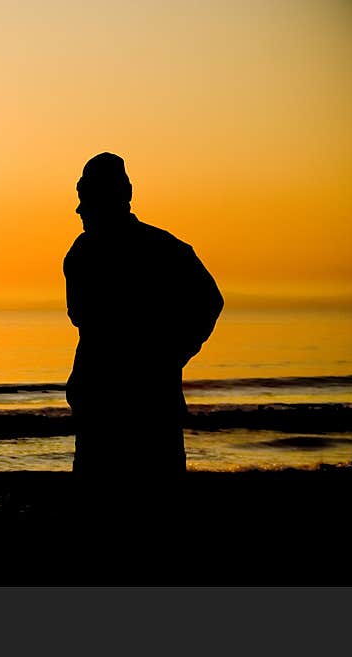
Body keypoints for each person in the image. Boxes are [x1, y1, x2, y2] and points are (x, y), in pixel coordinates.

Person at [64, 152, 223, 493]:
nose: (80, 210)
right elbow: (82, 317)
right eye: (81, 197)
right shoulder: (85, 253)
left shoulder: (157, 250)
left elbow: (209, 302)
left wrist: (171, 354)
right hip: (115, 404)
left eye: (86, 197)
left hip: (137, 408)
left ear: (117, 196)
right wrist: (172, 354)